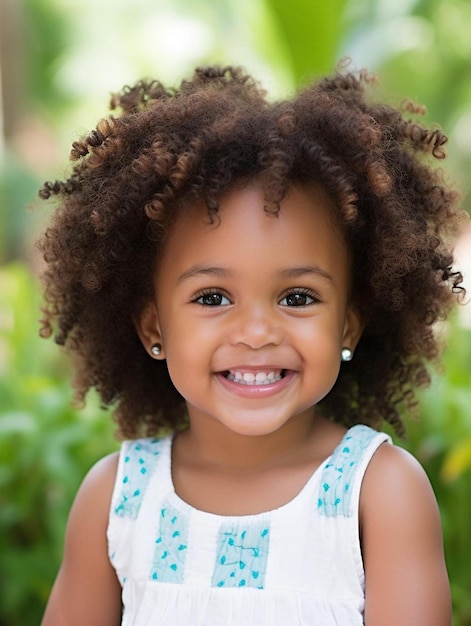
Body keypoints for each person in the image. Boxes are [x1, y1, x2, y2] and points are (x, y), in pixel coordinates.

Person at [38, 64, 465, 626]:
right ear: (153, 329)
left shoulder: (378, 495)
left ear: (349, 325)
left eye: (298, 296)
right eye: (213, 298)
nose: (258, 332)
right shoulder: (118, 500)